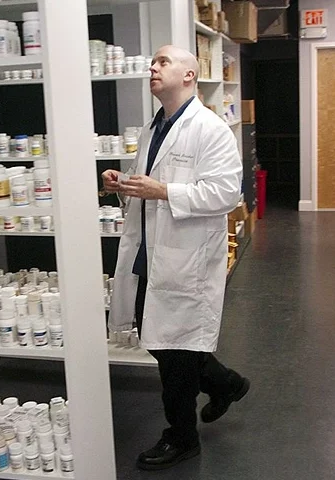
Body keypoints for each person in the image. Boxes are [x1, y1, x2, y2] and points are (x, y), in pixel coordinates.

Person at [102, 45, 249, 470]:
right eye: (152, 61)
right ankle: (227, 384)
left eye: (163, 62)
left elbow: (227, 194)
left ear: (189, 75)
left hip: (185, 258)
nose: (152, 66)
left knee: (175, 353)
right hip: (152, 252)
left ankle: (182, 438)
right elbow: (149, 182)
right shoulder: (154, 129)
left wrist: (164, 191)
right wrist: (121, 181)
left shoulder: (210, 129)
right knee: (164, 344)